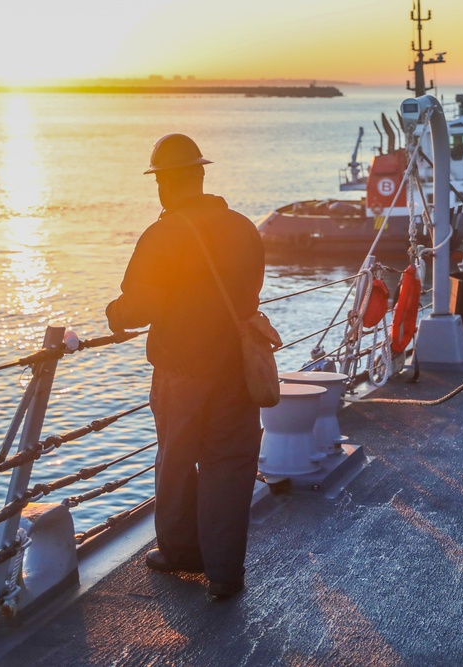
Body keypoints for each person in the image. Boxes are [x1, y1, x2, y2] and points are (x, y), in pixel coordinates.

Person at [105, 133, 266, 601]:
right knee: (230, 465)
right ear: (200, 175)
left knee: (176, 460)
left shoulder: (164, 233)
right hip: (238, 368)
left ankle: (179, 552)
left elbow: (137, 307)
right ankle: (224, 573)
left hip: (182, 368)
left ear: (164, 184)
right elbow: (250, 289)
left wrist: (114, 315)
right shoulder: (242, 227)